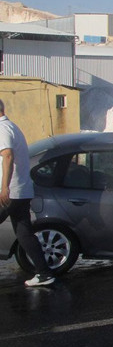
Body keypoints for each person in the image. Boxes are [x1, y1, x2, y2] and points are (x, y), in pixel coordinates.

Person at [0, 100, 54, 287]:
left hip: (11, 192)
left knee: (24, 233)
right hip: (21, 191)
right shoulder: (11, 127)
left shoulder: (3, 129)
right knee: (24, 234)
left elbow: (7, 156)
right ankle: (44, 273)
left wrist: (4, 187)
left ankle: (44, 272)